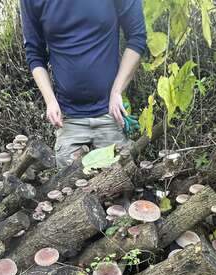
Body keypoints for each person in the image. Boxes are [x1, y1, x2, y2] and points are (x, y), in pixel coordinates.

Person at [20, 0, 147, 167]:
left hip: (111, 112)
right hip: (68, 119)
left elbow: (137, 36)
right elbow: (34, 53)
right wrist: (50, 101)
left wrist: (117, 91)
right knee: (70, 190)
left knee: (121, 184)